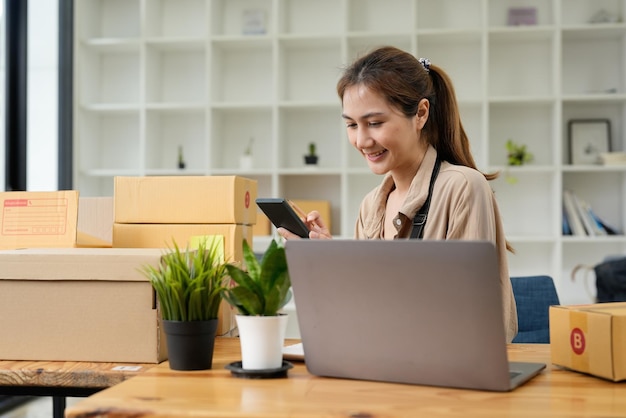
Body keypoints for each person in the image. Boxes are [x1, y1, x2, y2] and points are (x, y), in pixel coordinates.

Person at [278, 45, 518, 342]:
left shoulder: (462, 187)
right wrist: (327, 260)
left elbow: (468, 316)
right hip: (384, 361)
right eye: (352, 125)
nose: (362, 140)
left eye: (375, 123)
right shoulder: (370, 207)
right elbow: (362, 313)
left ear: (420, 113)